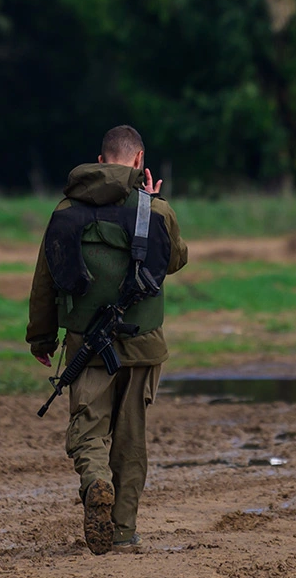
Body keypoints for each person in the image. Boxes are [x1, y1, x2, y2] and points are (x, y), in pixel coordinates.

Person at [26, 125, 189, 555]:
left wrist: (41, 337)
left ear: (100, 162)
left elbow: (46, 278)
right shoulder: (155, 211)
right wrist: (155, 202)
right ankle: (121, 531)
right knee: (132, 438)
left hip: (85, 344)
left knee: (88, 429)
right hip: (144, 345)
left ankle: (96, 481)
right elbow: (175, 260)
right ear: (139, 162)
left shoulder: (65, 209)